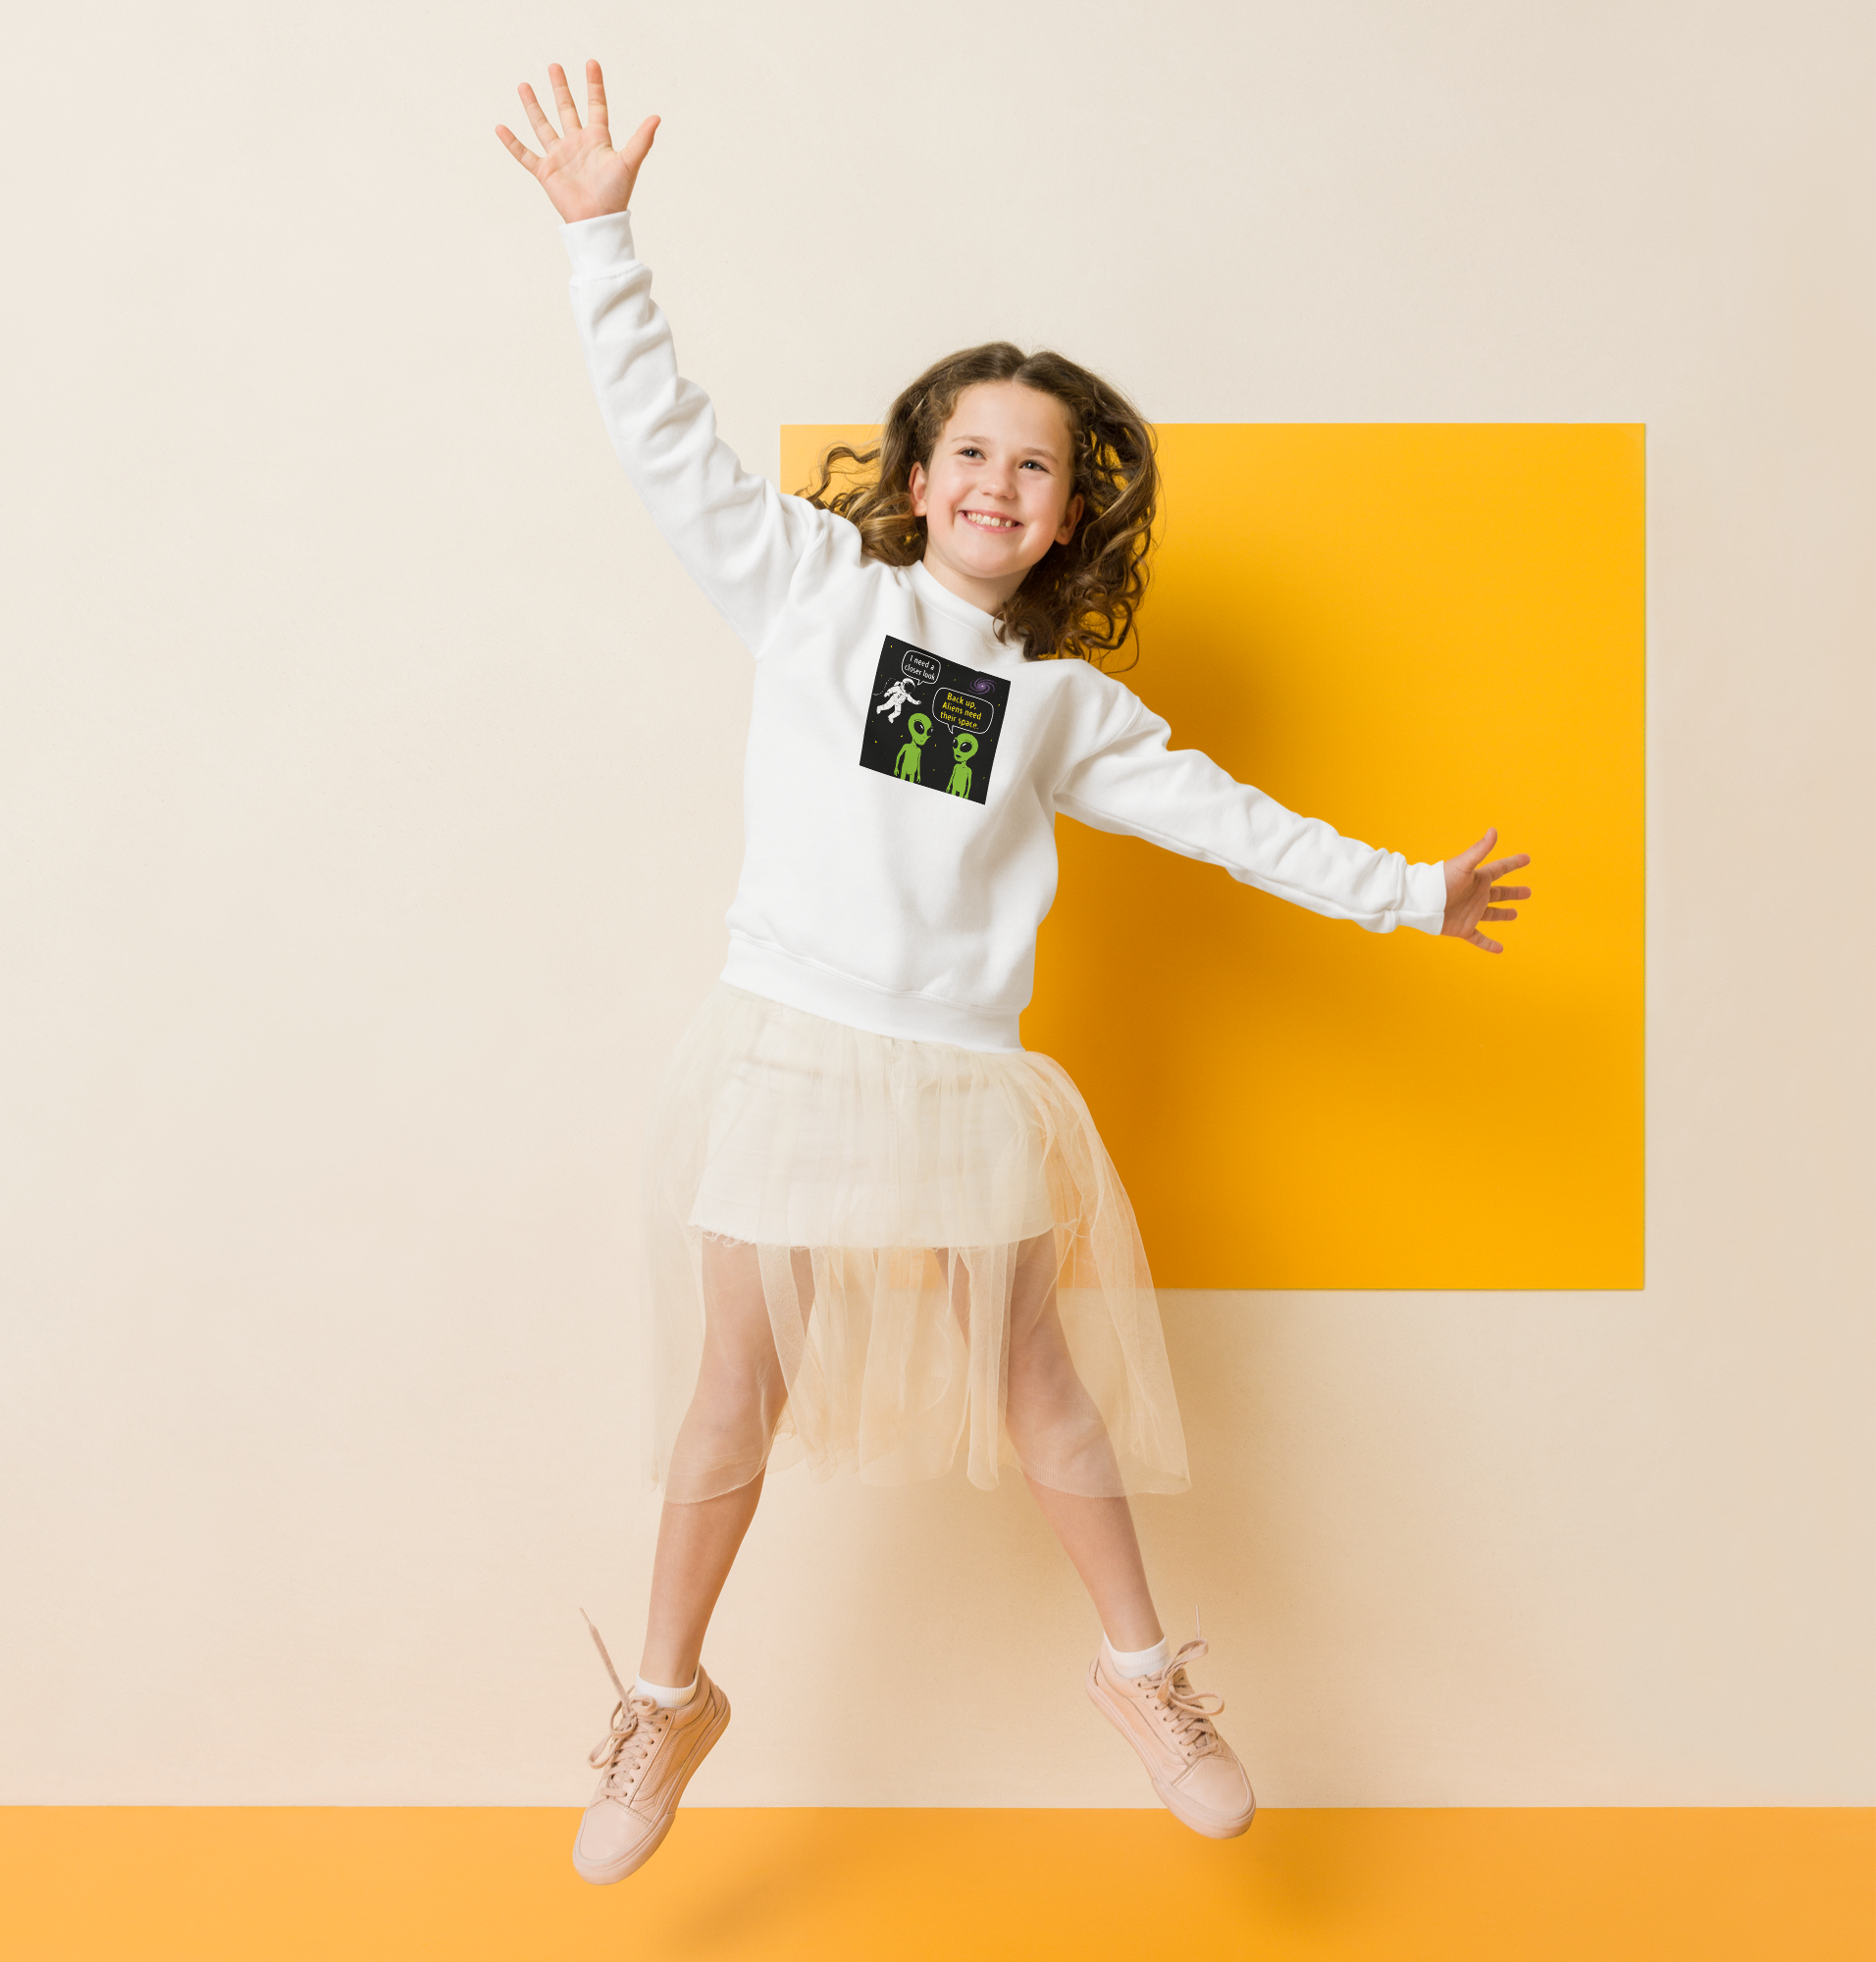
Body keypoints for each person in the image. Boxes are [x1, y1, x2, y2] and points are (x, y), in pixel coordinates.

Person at [495, 60, 1533, 1886]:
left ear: (1067, 519)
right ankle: (663, 1699)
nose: (996, 478)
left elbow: (1227, 818)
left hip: (962, 1072)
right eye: (967, 449)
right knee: (736, 1381)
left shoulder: (1061, 708)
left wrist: (1403, 894)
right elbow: (664, 438)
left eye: (1033, 464)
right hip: (795, 1050)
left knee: (1040, 1375)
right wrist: (603, 240)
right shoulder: (811, 595)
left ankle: (1144, 1678)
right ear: (914, 480)